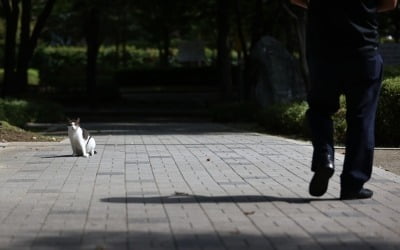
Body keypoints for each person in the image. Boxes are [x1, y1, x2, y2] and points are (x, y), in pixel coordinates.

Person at [290, 0, 398, 199]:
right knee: (362, 118)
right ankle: (353, 184)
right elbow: (391, 3)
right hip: (363, 50)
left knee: (320, 109)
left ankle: (324, 157)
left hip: (323, 51)